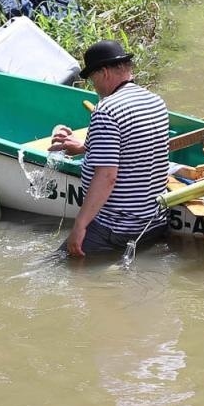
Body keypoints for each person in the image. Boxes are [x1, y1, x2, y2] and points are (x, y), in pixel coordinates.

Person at [50, 40, 170, 257]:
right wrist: (85, 147)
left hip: (115, 229)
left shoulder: (106, 111)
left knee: (54, 267)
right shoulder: (155, 102)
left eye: (92, 78)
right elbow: (134, 148)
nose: (93, 86)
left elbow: (107, 176)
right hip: (152, 224)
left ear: (104, 73)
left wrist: (80, 224)